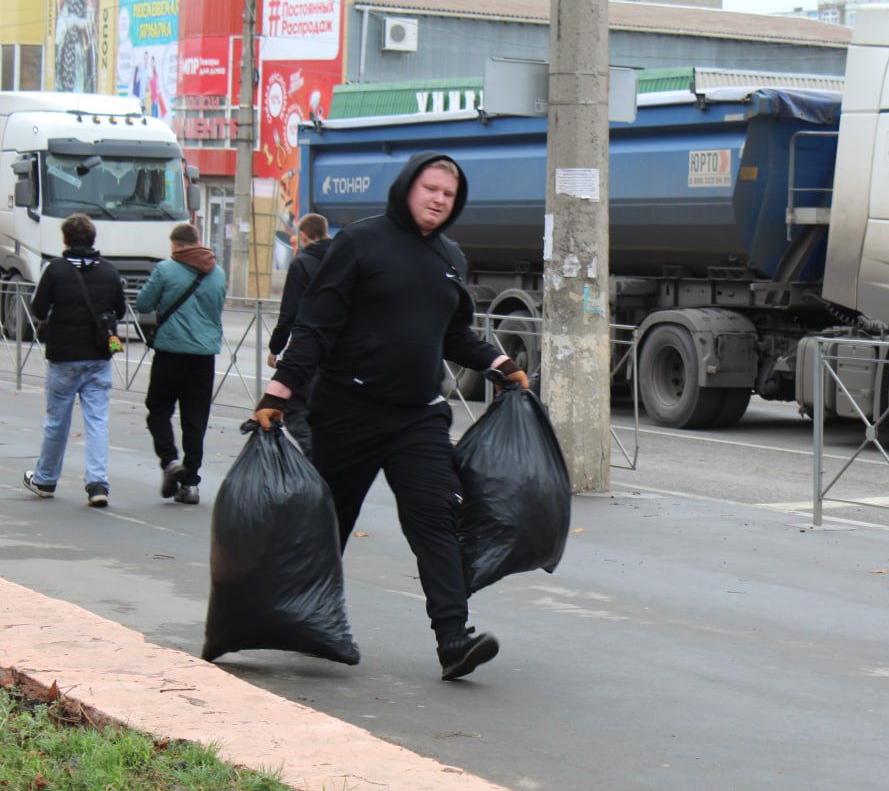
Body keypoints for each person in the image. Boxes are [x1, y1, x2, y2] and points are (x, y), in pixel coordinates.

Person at [251, 152, 529, 681]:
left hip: (418, 418)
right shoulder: (360, 243)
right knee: (329, 523)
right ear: (407, 188)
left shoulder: (450, 256)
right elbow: (316, 325)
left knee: (436, 520)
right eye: (429, 188)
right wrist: (276, 396)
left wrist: (498, 362)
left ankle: (453, 638)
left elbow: (452, 334)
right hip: (347, 412)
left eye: (448, 194)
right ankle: (298, 616)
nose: (438, 200)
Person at [24, 214, 127, 508]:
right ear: (93, 240)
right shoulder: (109, 272)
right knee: (97, 421)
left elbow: (39, 310)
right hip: (98, 358)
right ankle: (97, 483)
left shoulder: (55, 270)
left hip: (63, 359)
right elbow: (119, 311)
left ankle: (45, 479)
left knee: (57, 421)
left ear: (65, 240)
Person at [135, 223, 228, 505]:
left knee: (158, 409)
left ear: (175, 245)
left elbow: (143, 303)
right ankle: (190, 484)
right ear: (198, 242)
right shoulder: (218, 272)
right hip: (204, 357)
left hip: (171, 353)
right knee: (195, 418)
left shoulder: (166, 269)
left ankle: (169, 460)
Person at [266, 213, 332, 458]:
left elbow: (290, 312)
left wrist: (276, 347)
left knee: (293, 405)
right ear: (326, 233)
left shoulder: (302, 264)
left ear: (303, 237)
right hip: (339, 350)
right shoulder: (343, 259)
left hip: (307, 348)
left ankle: (316, 454)